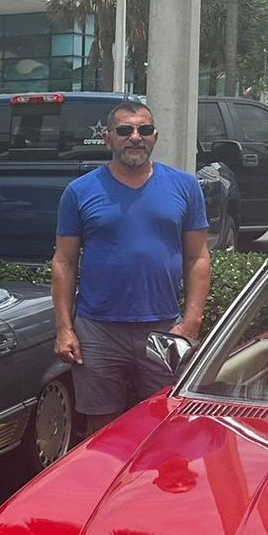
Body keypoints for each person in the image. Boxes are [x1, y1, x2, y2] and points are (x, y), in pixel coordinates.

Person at [52, 98, 211, 437]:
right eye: (125, 130)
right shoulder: (79, 192)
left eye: (144, 129)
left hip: (164, 328)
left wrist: (192, 322)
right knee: (102, 430)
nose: (135, 137)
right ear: (107, 138)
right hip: (97, 331)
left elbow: (198, 257)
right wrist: (64, 329)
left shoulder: (185, 187)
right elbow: (64, 261)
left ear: (155, 137)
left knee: (166, 423)